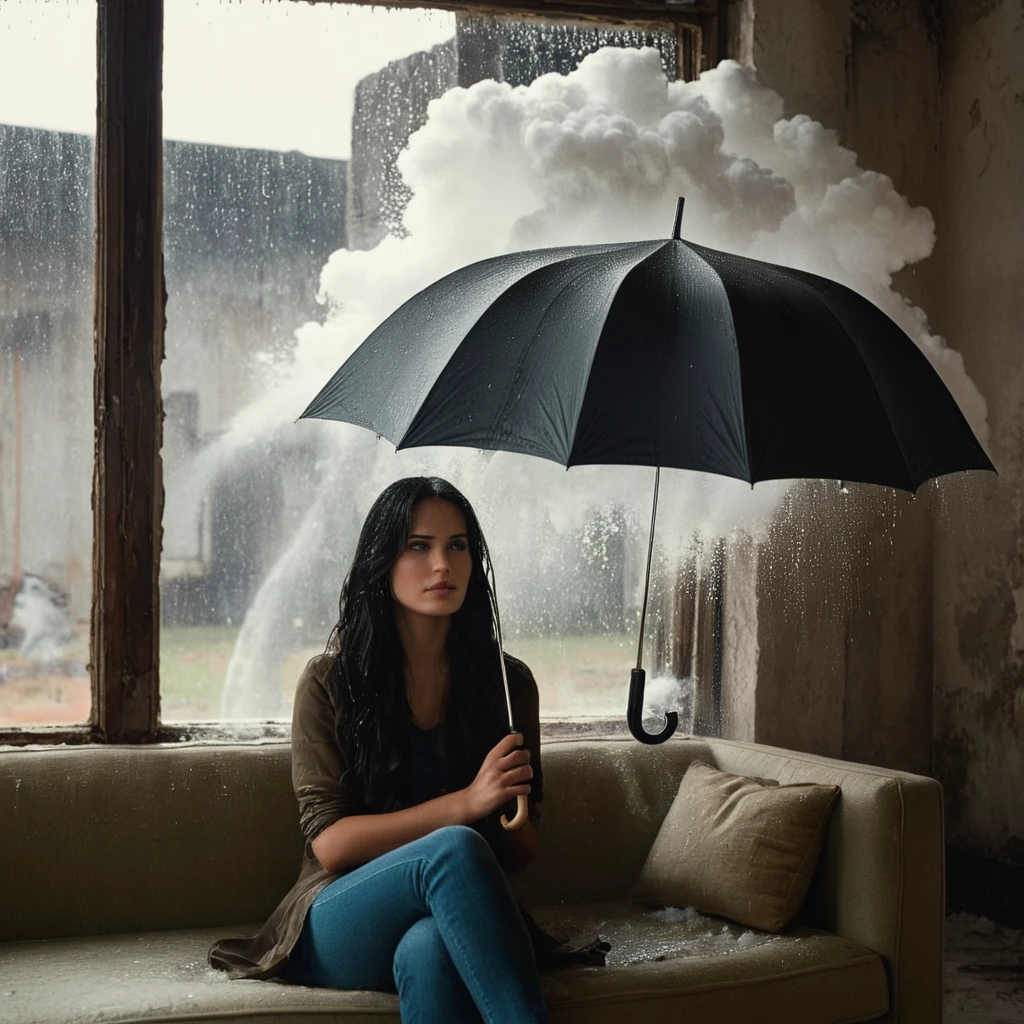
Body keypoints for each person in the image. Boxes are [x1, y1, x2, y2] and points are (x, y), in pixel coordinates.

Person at [209, 476, 604, 1022]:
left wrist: (510, 806)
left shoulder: (507, 685)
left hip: (444, 915)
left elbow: (520, 856)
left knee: (430, 948)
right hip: (340, 914)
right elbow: (333, 845)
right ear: (382, 562)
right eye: (419, 546)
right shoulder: (330, 682)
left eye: (458, 546)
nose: (442, 564)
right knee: (454, 848)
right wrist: (467, 804)